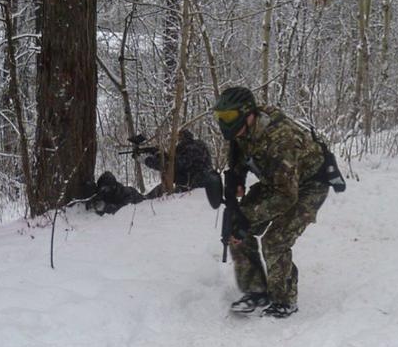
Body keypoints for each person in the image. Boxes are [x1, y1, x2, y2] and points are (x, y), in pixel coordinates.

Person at [213, 86, 330, 318]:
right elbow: (240, 151)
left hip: (310, 185)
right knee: (236, 226)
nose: (224, 122)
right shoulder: (245, 128)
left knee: (274, 241)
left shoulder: (281, 139)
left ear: (247, 113)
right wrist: (237, 177)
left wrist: (247, 218)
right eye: (220, 117)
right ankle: (256, 291)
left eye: (229, 116)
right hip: (277, 181)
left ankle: (284, 301)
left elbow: (287, 196)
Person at [140, 129, 213, 198]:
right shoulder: (198, 145)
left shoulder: (189, 149)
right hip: (204, 183)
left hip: (195, 187)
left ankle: (146, 199)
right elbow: (174, 160)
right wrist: (155, 152)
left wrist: (146, 160)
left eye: (179, 139)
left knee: (166, 188)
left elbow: (171, 165)